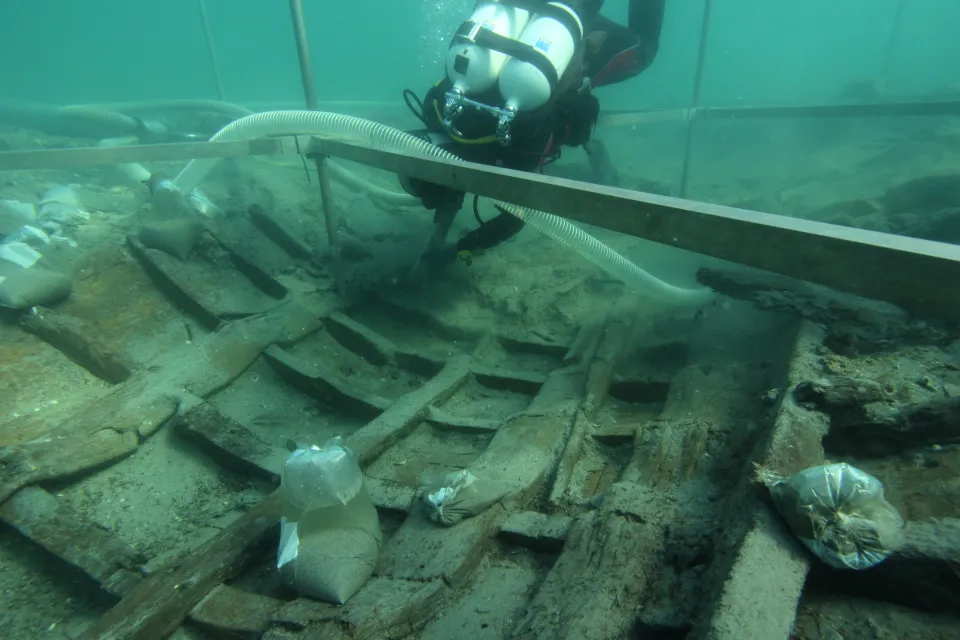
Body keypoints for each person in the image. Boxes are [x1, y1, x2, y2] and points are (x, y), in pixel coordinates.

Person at [400, 0, 665, 269]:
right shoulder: (439, 107)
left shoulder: (514, 144)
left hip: (581, 45)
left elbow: (520, 213)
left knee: (644, 48)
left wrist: (463, 248)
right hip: (535, 23)